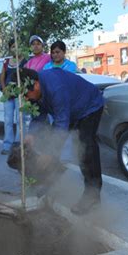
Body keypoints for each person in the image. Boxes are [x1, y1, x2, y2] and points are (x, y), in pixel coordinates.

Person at [19, 68, 104, 214]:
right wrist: (31, 134)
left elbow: (62, 123)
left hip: (89, 107)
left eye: (26, 94)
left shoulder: (56, 88)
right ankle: (49, 180)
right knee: (48, 139)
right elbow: (39, 116)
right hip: (69, 110)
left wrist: (51, 153)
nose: (26, 99)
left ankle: (92, 195)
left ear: (37, 85)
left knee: (85, 147)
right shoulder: (36, 89)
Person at [0, 39, 27, 155]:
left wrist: (22, 91)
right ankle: (7, 146)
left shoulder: (25, 61)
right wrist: (4, 89)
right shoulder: (6, 62)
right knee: (8, 121)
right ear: (10, 49)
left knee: (21, 121)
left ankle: (18, 146)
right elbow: (2, 77)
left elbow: (27, 77)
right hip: (8, 96)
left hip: (20, 95)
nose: (15, 48)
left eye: (18, 46)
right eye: (13, 46)